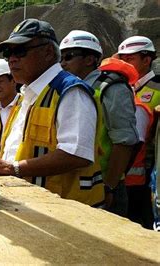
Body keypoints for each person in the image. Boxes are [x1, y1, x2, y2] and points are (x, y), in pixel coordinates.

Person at [0, 19, 103, 206]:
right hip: (36, 206)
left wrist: (12, 168)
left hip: (69, 210)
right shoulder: (28, 95)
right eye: (8, 53)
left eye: (20, 51)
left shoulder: (70, 91)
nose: (12, 59)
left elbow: (76, 154)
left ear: (48, 52)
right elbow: (25, 150)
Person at [59, 30, 140, 217]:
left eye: (69, 57)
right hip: (79, 183)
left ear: (89, 59)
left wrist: (109, 187)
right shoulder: (72, 89)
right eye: (61, 57)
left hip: (105, 186)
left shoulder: (112, 88)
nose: (63, 63)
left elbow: (124, 142)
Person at [118, 36, 159, 227]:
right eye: (122, 59)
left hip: (150, 173)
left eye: (130, 59)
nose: (125, 63)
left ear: (146, 59)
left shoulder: (158, 87)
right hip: (125, 173)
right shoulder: (122, 88)